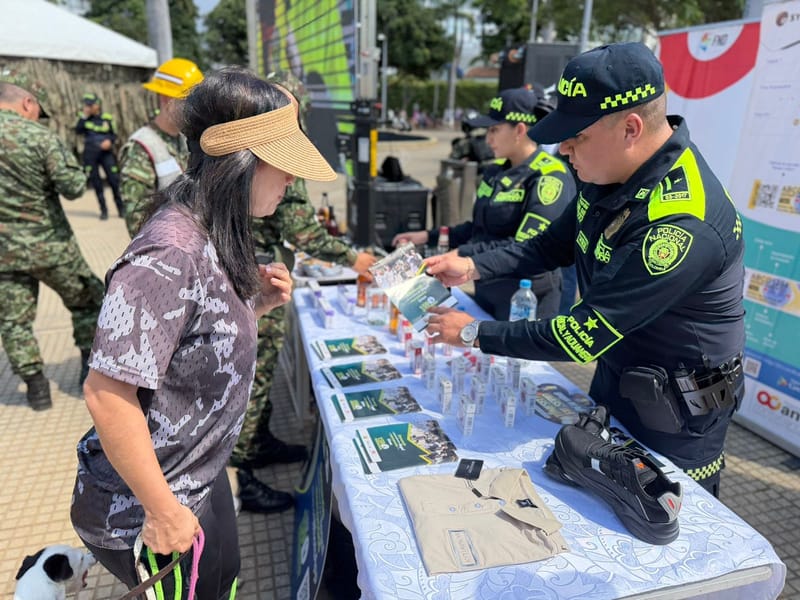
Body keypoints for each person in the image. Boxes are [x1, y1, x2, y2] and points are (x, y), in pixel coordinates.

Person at [425, 42, 745, 497]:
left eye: (576, 137)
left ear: (631, 129)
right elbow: (551, 245)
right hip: (621, 381)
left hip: (678, 418)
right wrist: (473, 264)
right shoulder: (609, 174)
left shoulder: (682, 221)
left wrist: (475, 333)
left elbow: (583, 335)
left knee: (662, 536)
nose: (563, 149)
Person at [70, 66, 337, 599]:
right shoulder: (171, 249)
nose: (291, 179)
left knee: (224, 584)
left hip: (198, 473)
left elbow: (190, 345)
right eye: (280, 164)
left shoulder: (215, 226)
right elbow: (108, 394)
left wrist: (251, 308)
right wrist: (163, 511)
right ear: (239, 160)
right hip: (153, 506)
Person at [229, 72, 376, 513]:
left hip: (250, 269)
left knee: (258, 373)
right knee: (248, 377)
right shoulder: (269, 151)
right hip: (253, 277)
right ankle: (241, 476)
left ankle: (259, 443)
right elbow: (301, 230)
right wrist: (354, 260)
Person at [393, 87, 575, 320]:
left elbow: (528, 246)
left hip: (525, 300)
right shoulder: (494, 172)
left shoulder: (550, 176)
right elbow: (479, 230)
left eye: (494, 130)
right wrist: (428, 236)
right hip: (486, 291)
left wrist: (463, 256)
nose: (487, 139)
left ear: (519, 130)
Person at [0, 69, 104, 411]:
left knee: (14, 320)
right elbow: (73, 188)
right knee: (88, 301)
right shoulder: (39, 137)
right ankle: (90, 372)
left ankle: (36, 389)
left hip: (3, 253)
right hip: (51, 247)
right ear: (27, 102)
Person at [119, 58, 203, 236]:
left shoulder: (185, 139)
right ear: (167, 100)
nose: (196, 111)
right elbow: (137, 223)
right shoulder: (142, 148)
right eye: (189, 103)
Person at [74, 92, 125, 220]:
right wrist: (84, 116)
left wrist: (110, 141)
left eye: (91, 105)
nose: (89, 107)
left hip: (106, 154)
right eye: (87, 105)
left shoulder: (107, 118)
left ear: (98, 105)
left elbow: (114, 134)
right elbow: (78, 130)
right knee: (96, 183)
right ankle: (104, 210)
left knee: (114, 180)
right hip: (90, 155)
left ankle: (121, 209)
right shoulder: (83, 118)